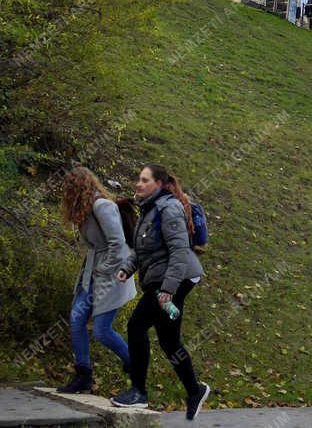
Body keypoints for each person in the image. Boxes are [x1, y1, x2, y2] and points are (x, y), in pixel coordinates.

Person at [111, 165, 209, 421]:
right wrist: (127, 268)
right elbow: (143, 250)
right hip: (168, 277)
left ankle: (139, 393)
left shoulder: (169, 209)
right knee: (169, 341)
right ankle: (195, 390)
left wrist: (167, 290)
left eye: (144, 180)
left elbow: (179, 251)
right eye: (138, 180)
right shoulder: (149, 209)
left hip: (174, 279)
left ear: (159, 184)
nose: (138, 184)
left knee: (136, 326)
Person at [56, 167, 137, 393]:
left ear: (80, 188)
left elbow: (118, 245)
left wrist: (103, 270)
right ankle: (83, 375)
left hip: (113, 273)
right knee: (76, 318)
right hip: (93, 272)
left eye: (70, 189)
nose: (67, 194)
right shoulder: (84, 208)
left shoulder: (102, 206)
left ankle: (135, 364)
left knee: (102, 330)